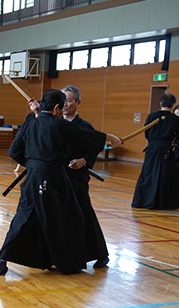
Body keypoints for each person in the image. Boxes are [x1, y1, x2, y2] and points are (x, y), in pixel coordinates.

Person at [0, 89, 122, 276]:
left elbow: (14, 151)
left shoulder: (31, 124)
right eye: (61, 107)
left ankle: (2, 261)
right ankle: (68, 264)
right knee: (68, 218)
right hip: (53, 180)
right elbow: (88, 137)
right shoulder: (59, 125)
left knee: (23, 218)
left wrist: (33, 163)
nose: (63, 111)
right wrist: (111, 138)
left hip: (32, 179)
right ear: (56, 108)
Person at [61, 85, 109, 268]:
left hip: (76, 176)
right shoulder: (56, 123)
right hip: (58, 175)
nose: (66, 104)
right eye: (63, 100)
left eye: (70, 100)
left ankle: (100, 253)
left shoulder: (84, 126)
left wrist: (84, 160)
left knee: (83, 213)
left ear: (78, 103)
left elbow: (94, 146)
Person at [132, 93, 179, 210]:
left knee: (149, 174)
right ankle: (164, 203)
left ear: (161, 103)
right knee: (165, 175)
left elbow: (147, 133)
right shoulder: (174, 119)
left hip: (152, 149)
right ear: (172, 105)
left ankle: (144, 201)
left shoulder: (152, 116)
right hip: (166, 149)